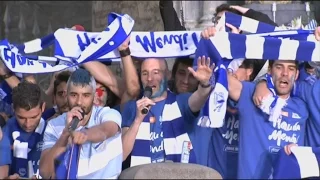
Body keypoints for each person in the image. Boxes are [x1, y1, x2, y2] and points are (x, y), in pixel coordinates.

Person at [121, 56, 213, 167]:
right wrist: (137, 120)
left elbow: (199, 97)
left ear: (168, 75)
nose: (150, 78)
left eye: (156, 72)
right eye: (145, 73)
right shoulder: (132, 107)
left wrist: (205, 84)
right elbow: (121, 155)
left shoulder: (181, 101)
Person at [39, 68, 122, 179]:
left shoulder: (108, 114)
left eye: (86, 95)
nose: (79, 101)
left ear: (94, 96)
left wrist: (84, 135)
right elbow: (45, 172)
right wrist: (66, 134)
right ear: (66, 95)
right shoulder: (54, 125)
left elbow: (105, 131)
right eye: (74, 95)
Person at [0, 81, 47, 179]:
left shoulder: (54, 129)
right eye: (21, 117)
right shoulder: (5, 133)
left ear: (43, 107)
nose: (28, 124)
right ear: (13, 108)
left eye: (34, 117)